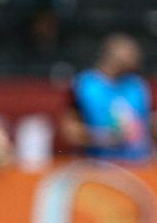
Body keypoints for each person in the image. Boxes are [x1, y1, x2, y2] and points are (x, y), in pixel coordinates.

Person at [62, 33, 154, 164]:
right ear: (111, 54)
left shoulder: (138, 85)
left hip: (141, 165)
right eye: (130, 51)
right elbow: (70, 131)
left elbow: (148, 124)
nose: (136, 57)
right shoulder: (85, 85)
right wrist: (105, 137)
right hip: (102, 167)